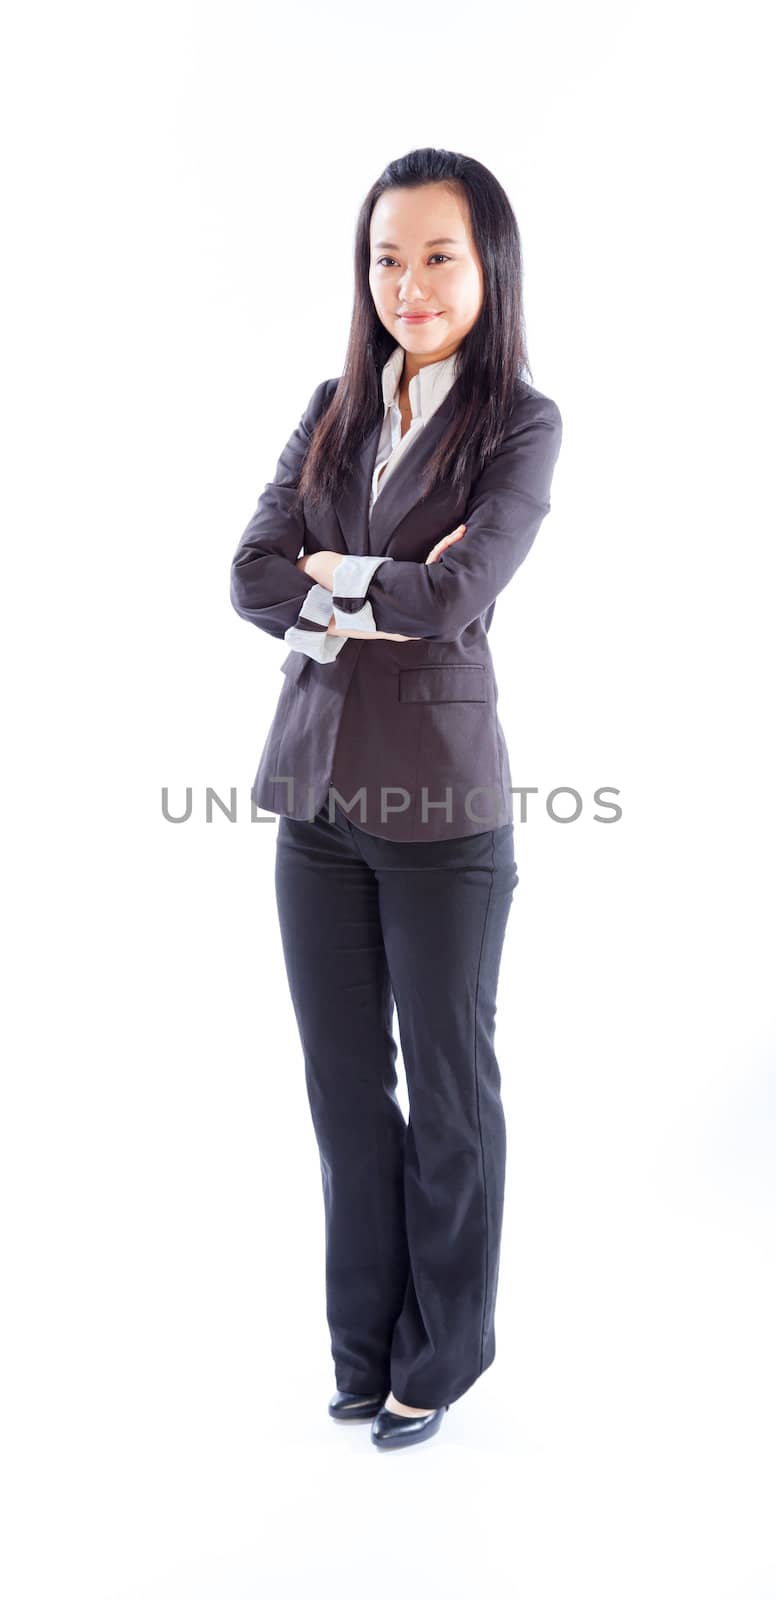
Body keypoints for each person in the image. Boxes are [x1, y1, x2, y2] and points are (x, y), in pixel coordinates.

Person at [230, 146, 563, 1451]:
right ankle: (363, 1346)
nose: (408, 283)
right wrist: (375, 585)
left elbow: (457, 597)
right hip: (315, 804)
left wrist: (339, 582)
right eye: (386, 257)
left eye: (437, 254)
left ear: (488, 267)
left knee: (450, 1087)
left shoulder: (520, 426)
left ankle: (453, 1342)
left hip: (444, 824)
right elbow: (250, 576)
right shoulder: (333, 406)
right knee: (342, 1092)